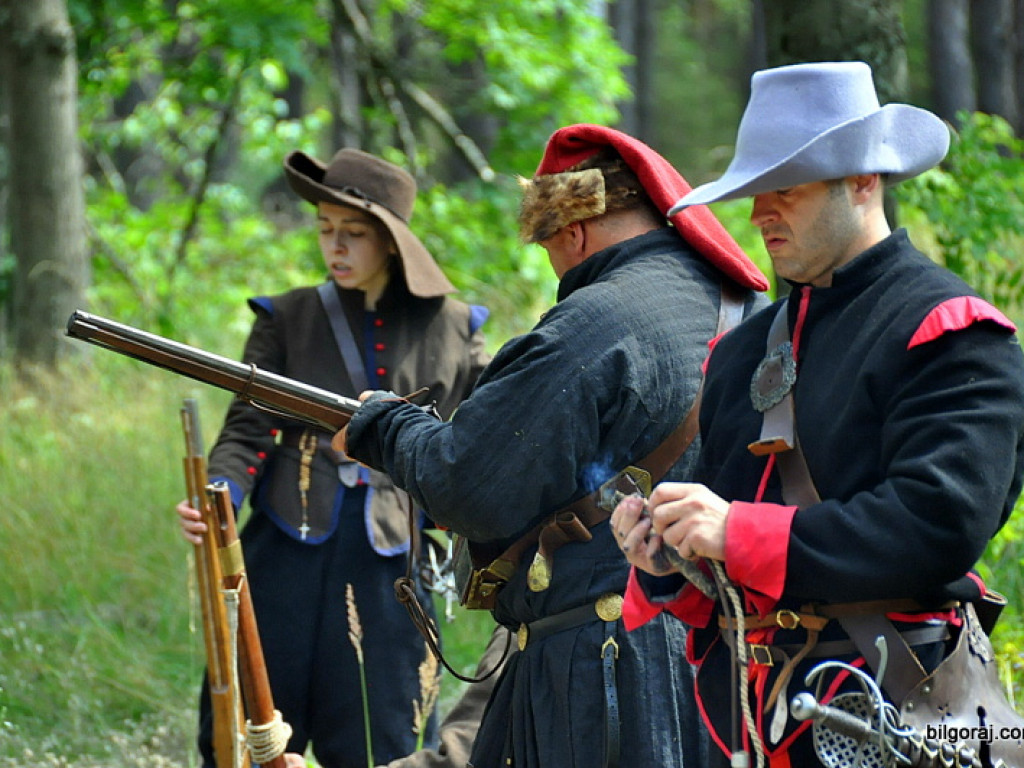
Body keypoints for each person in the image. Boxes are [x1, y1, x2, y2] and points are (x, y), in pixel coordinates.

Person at [612, 61, 1024, 768]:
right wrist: (671, 556)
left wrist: (738, 531)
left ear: (863, 182)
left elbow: (936, 525)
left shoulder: (948, 328)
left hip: (907, 710)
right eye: (754, 192)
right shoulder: (742, 351)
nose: (759, 212)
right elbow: (732, 549)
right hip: (758, 720)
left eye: (786, 190)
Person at [339, 124, 770, 768]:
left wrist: (386, 426)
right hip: (720, 652)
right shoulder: (742, 310)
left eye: (549, 243)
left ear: (573, 231)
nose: (553, 263)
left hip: (604, 665)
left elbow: (468, 484)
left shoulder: (593, 322)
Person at [175, 147, 491, 768]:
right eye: (325, 230)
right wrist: (218, 496)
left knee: (384, 744)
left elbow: (477, 442)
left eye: (354, 233)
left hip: (392, 573)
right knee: (248, 740)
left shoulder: (455, 328)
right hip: (281, 563)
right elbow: (246, 432)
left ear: (392, 242)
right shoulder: (286, 319)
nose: (335, 248)